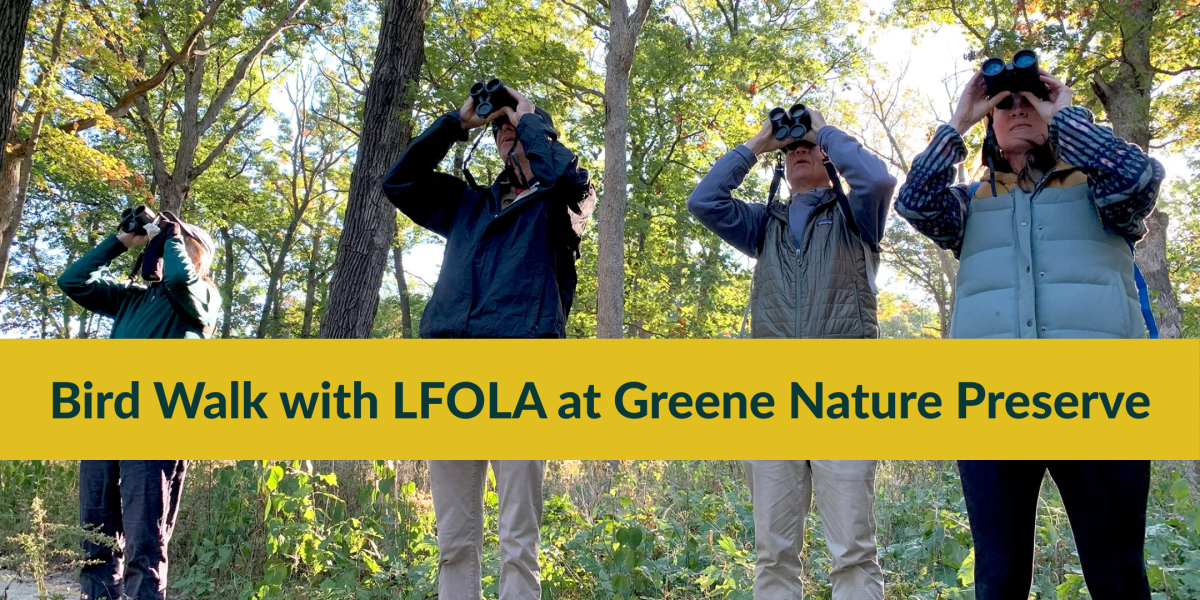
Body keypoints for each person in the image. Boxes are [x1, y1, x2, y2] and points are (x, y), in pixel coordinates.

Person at [894, 59, 1163, 599]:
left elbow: (1138, 177)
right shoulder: (968, 205)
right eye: (1005, 105)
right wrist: (960, 120)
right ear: (990, 127)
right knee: (998, 578)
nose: (1019, 110)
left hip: (1100, 401)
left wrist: (1064, 112)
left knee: (1117, 577)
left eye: (1030, 100)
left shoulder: (1102, 193)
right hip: (993, 405)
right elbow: (914, 202)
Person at [381, 86, 594, 600]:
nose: (505, 131)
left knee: (518, 537)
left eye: (513, 124)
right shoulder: (468, 204)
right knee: (454, 539)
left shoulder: (564, 202)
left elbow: (564, 176)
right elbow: (400, 182)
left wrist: (531, 118)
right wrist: (456, 124)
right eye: (499, 127)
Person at [687, 106, 895, 600]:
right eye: (792, 147)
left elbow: (878, 179)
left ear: (829, 156)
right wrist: (759, 142)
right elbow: (704, 201)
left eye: (810, 146)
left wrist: (824, 130)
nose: (800, 150)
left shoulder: (856, 215)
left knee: (853, 551)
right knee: (773, 552)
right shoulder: (764, 224)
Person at [58, 214, 218, 600]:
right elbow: (72, 282)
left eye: (173, 245)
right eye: (159, 244)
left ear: (197, 255)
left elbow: (179, 280)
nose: (159, 249)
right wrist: (121, 242)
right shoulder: (132, 299)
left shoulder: (203, 297)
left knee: (145, 534)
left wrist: (172, 236)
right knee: (95, 531)